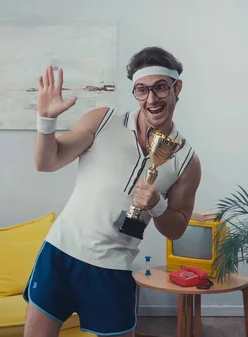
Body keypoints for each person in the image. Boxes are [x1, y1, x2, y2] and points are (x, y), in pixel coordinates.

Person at [23, 46, 202, 337]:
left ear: (176, 87)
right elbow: (47, 162)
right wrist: (46, 121)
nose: (151, 99)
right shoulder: (104, 120)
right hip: (60, 253)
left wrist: (156, 205)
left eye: (160, 88)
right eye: (142, 90)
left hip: (112, 269)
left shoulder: (187, 160)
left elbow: (177, 229)